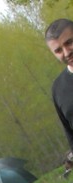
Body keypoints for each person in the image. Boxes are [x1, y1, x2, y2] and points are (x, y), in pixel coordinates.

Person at [45, 19, 73, 165]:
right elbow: (70, 134)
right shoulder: (58, 89)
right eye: (58, 50)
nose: (66, 52)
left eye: (69, 42)